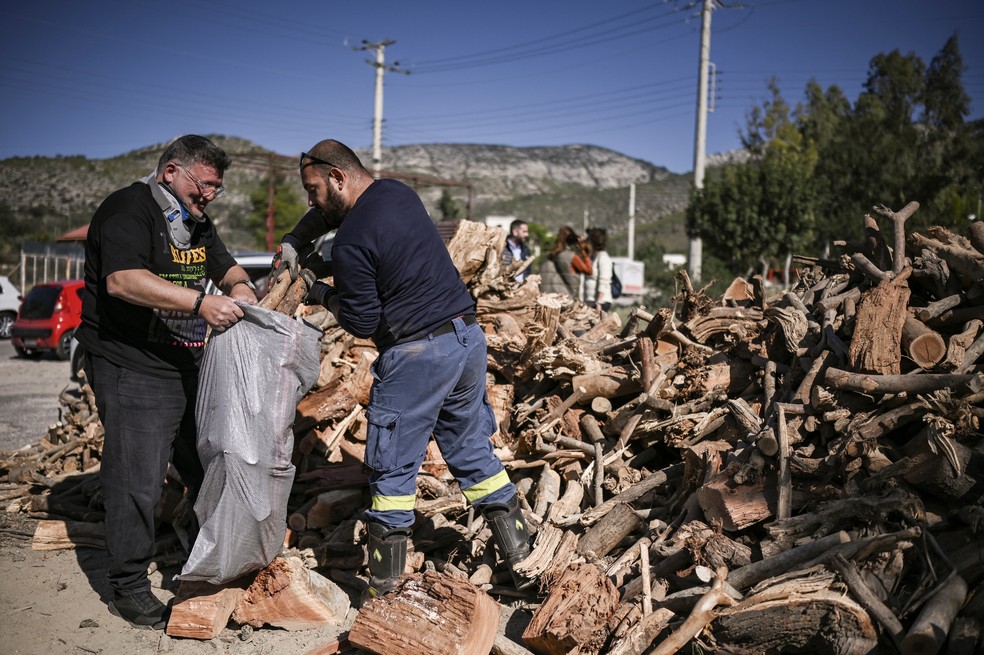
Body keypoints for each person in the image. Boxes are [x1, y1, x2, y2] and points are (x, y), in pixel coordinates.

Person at [276, 139, 532, 601]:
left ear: (338, 177)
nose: (309, 201)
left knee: (392, 473)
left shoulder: (352, 241)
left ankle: (384, 595)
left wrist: (320, 292)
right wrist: (297, 236)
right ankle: (526, 562)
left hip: (418, 355)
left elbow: (362, 321)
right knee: (473, 452)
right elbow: (348, 227)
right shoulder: (397, 193)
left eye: (312, 190)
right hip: (466, 339)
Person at [75, 135, 258, 630]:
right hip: (130, 362)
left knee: (204, 463)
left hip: (182, 360)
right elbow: (122, 280)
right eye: (205, 186)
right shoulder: (128, 210)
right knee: (136, 477)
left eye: (217, 189)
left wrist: (242, 290)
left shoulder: (195, 222)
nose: (210, 197)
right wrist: (201, 304)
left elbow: (226, 267)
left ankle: (206, 560)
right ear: (171, 172)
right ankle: (128, 585)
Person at [538, 226, 592, 299]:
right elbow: (589, 271)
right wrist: (584, 251)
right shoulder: (570, 256)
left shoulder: (550, 256)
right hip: (566, 298)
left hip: (548, 296)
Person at [584, 227, 614, 312]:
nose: (586, 242)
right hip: (591, 302)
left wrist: (599, 303)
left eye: (588, 240)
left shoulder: (603, 257)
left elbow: (603, 281)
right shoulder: (592, 257)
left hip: (600, 303)